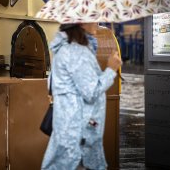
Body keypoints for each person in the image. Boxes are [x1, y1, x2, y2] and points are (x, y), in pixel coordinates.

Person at [41, 23, 122, 170]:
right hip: (79, 132)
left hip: (71, 128)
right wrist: (111, 69)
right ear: (80, 22)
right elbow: (91, 92)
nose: (96, 22)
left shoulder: (67, 49)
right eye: (93, 17)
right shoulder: (76, 52)